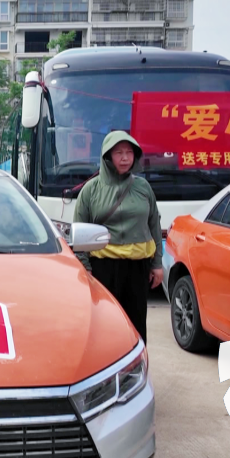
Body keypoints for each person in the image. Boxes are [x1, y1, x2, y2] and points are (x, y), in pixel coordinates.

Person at [73, 130, 162, 344]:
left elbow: (154, 225)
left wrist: (157, 263)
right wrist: (85, 267)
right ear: (107, 157)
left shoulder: (143, 187)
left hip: (138, 267)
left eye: (129, 152)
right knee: (105, 322)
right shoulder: (91, 190)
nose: (124, 158)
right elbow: (79, 230)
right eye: (119, 153)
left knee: (136, 323)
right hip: (103, 267)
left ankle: (136, 363)